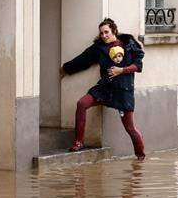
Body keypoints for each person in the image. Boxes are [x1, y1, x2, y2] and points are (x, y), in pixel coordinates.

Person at [60, 18, 146, 160]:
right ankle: (78, 142)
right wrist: (65, 69)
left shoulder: (129, 45)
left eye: (106, 32)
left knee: (130, 128)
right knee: (82, 104)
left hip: (123, 91)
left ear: (114, 31)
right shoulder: (99, 48)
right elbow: (83, 59)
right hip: (104, 88)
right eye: (101, 33)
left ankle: (140, 159)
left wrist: (122, 70)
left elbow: (138, 66)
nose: (104, 36)